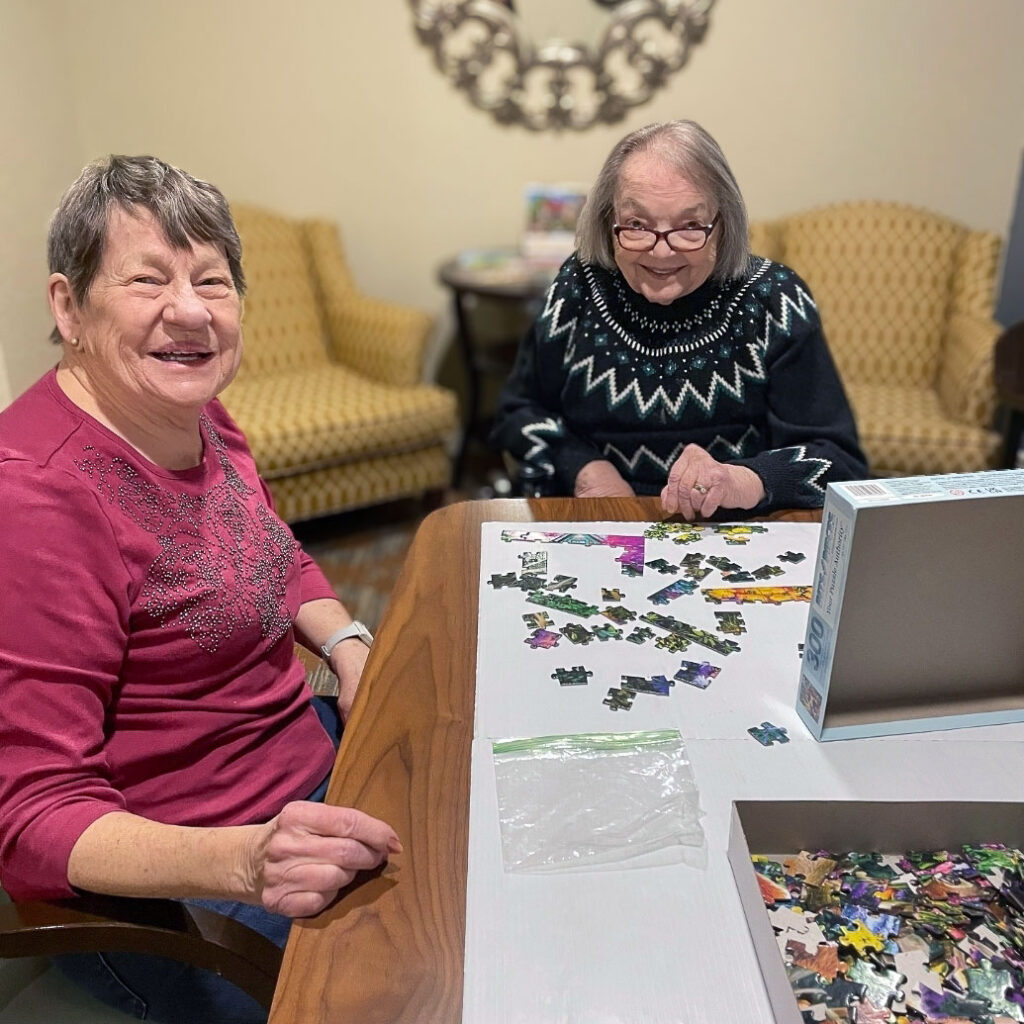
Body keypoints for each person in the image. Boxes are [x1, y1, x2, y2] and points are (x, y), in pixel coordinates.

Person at [0, 156, 400, 1023]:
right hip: (184, 895)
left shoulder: (196, 408)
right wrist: (249, 860)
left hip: (307, 779)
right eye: (147, 279)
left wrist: (344, 641)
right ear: (67, 306)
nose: (189, 310)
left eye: (212, 281)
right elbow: (34, 818)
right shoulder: (36, 499)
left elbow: (269, 552)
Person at [491, 120, 868, 518]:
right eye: (636, 225)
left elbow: (839, 463)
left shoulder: (775, 300)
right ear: (607, 220)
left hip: (730, 533)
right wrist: (586, 469)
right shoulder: (579, 286)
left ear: (724, 224)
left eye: (690, 226)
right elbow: (519, 411)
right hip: (597, 521)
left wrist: (743, 480)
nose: (662, 252)